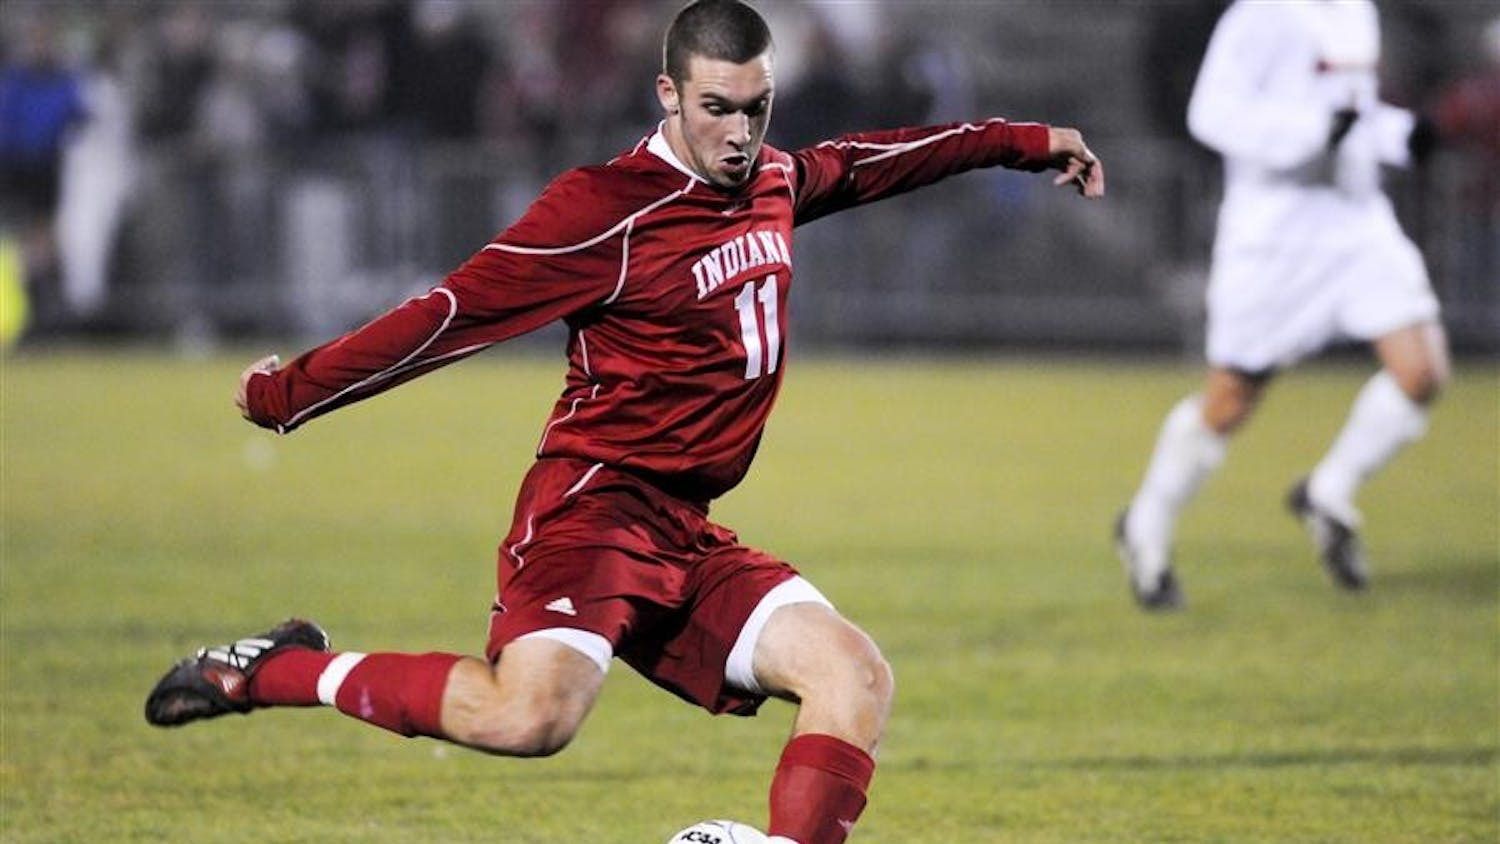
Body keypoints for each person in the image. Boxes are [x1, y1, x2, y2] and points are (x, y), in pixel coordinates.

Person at [143, 2, 1104, 842]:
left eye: (754, 108)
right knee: (532, 720)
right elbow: (445, 317)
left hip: (685, 527)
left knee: (855, 676)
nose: (738, 133)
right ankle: (280, 670)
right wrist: (288, 394)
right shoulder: (605, 211)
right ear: (668, 95)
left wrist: (1026, 141)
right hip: (592, 514)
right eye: (716, 108)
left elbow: (873, 160)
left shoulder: (771, 180)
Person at [1114, 0, 1448, 611]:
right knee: (1231, 400)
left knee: (1421, 371)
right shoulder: (1263, 15)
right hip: (1275, 233)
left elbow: (1351, 112)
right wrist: (1309, 135)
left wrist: (1399, 134)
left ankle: (1329, 490)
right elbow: (1212, 113)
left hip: (1355, 218)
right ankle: (1145, 524)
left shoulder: (1355, 11)